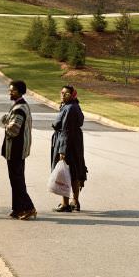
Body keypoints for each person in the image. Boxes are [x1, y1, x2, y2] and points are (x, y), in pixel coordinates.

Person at [1, 80, 37, 220]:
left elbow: (14, 129)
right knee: (15, 179)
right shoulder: (21, 105)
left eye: (13, 90)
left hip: (16, 149)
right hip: (20, 149)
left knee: (17, 180)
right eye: (10, 90)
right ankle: (17, 208)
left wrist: (5, 122)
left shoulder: (19, 109)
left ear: (20, 92)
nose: (10, 92)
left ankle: (28, 208)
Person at [50, 84, 87, 212]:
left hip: (67, 144)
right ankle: (75, 201)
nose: (63, 95)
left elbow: (66, 130)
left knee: (64, 173)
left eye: (66, 94)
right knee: (74, 172)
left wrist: (62, 151)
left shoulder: (70, 108)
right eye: (62, 92)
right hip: (75, 143)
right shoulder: (72, 106)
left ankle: (65, 203)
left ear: (72, 95)